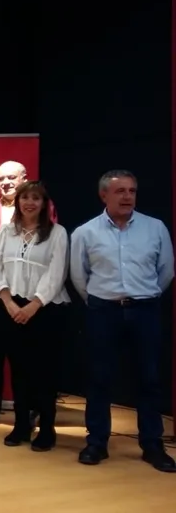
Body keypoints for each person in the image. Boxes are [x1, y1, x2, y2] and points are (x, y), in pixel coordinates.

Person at [70, 170, 175, 472]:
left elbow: (166, 270)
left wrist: (144, 294)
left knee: (149, 379)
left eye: (132, 191)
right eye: (120, 192)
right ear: (104, 195)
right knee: (99, 377)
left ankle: (152, 445)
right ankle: (97, 442)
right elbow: (79, 276)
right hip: (103, 312)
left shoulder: (155, 228)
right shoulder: (85, 232)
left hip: (145, 311)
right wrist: (100, 299)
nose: (128, 196)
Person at [0, 160, 56, 429]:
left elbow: (49, 241)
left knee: (29, 354)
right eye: (1, 179)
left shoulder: (43, 206)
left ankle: (30, 409)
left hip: (29, 294)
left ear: (24, 178)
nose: (6, 182)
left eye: (11, 178)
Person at [0, 181, 69, 451]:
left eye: (36, 198)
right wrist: (9, 302)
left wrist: (34, 305)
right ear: (18, 202)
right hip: (10, 308)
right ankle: (21, 424)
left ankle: (46, 428)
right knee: (18, 371)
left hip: (44, 310)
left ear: (44, 204)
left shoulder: (57, 233)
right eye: (25, 198)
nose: (29, 203)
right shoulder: (5, 231)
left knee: (45, 372)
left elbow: (56, 273)